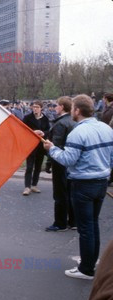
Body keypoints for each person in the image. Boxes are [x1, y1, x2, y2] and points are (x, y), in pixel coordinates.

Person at [43, 94, 113, 280]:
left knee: (86, 228)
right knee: (93, 224)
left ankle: (86, 269)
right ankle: (91, 261)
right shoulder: (106, 128)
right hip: (101, 182)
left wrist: (52, 149)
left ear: (77, 111)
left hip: (83, 184)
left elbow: (68, 159)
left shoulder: (78, 132)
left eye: (73, 108)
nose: (71, 111)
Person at [43, 97, 77, 232]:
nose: (55, 107)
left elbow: (55, 146)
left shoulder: (60, 124)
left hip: (60, 162)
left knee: (60, 193)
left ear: (62, 107)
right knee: (70, 192)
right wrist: (45, 133)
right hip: (71, 162)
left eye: (57, 105)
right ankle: (73, 221)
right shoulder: (72, 121)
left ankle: (60, 223)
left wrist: (49, 163)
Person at [22, 101, 50, 195]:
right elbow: (23, 129)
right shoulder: (27, 118)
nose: (35, 109)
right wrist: (34, 132)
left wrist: (43, 133)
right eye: (33, 107)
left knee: (38, 166)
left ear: (41, 108)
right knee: (29, 166)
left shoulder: (45, 118)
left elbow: (48, 130)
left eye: (37, 107)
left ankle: (34, 185)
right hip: (30, 145)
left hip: (40, 146)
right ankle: (27, 187)